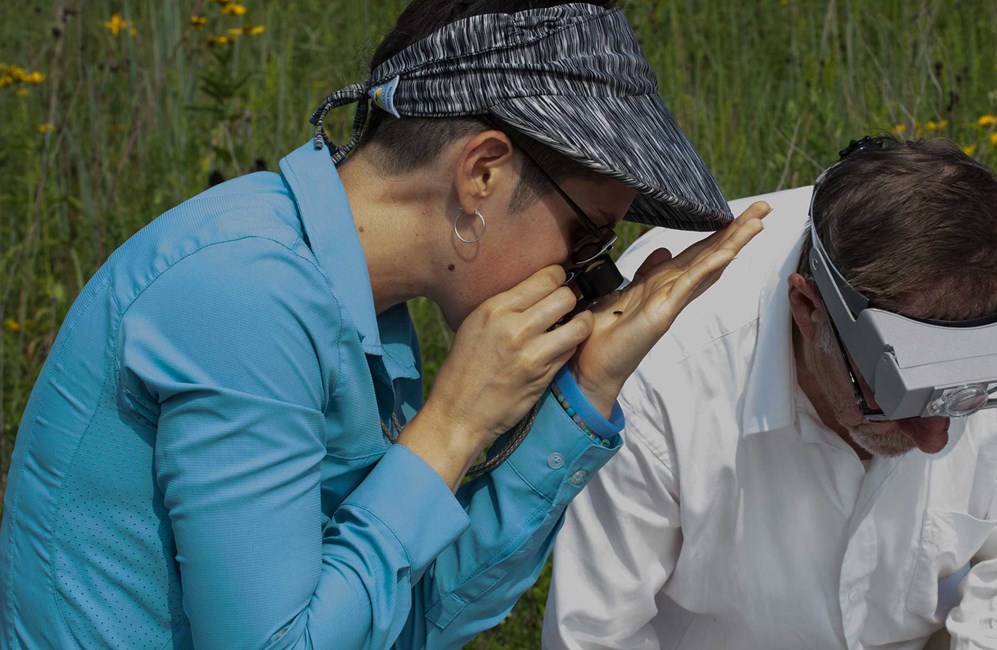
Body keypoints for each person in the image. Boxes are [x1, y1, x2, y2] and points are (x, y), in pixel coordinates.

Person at [0, 2, 769, 648]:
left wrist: (589, 387)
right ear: (483, 173)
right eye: (589, 237)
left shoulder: (367, 306)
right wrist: (450, 430)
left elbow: (412, 619)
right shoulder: (246, 295)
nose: (589, 277)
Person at [543, 135, 997, 649]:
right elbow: (596, 635)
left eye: (969, 397)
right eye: (897, 397)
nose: (935, 439)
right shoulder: (656, 357)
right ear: (807, 310)